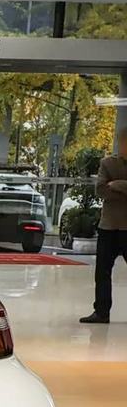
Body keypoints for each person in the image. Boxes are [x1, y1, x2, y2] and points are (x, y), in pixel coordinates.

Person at [81, 128, 127, 324]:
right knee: (102, 272)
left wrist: (117, 185)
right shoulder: (107, 163)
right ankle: (101, 312)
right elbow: (101, 190)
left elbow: (109, 189)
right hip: (109, 226)